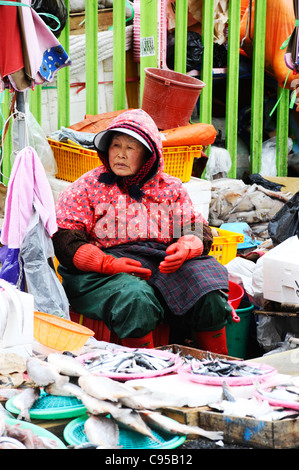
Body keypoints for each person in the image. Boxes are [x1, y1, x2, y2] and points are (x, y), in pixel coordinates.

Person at [52, 108, 232, 353]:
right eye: (116, 145)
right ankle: (146, 364)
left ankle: (219, 362)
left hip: (157, 260)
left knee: (208, 289)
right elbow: (66, 239)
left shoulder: (169, 188)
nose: (121, 155)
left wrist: (186, 247)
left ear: (149, 155)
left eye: (131, 148)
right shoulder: (87, 186)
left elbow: (192, 227)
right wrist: (105, 264)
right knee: (135, 297)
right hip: (99, 271)